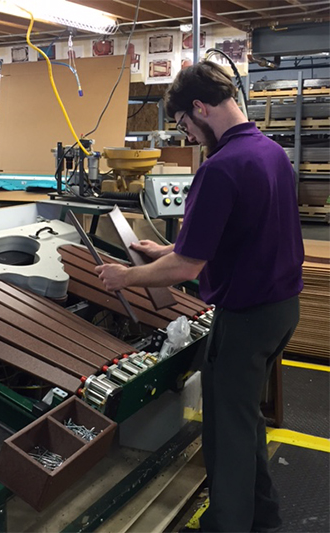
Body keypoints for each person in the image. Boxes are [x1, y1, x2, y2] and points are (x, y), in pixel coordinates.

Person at [96, 60, 304, 533]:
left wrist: (125, 277)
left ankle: (228, 524)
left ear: (199, 108)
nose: (186, 136)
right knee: (244, 419)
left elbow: (187, 269)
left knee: (226, 434)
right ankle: (263, 517)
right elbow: (232, 235)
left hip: (247, 318)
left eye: (184, 125)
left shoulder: (220, 167)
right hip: (281, 310)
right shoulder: (270, 152)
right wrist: (166, 248)